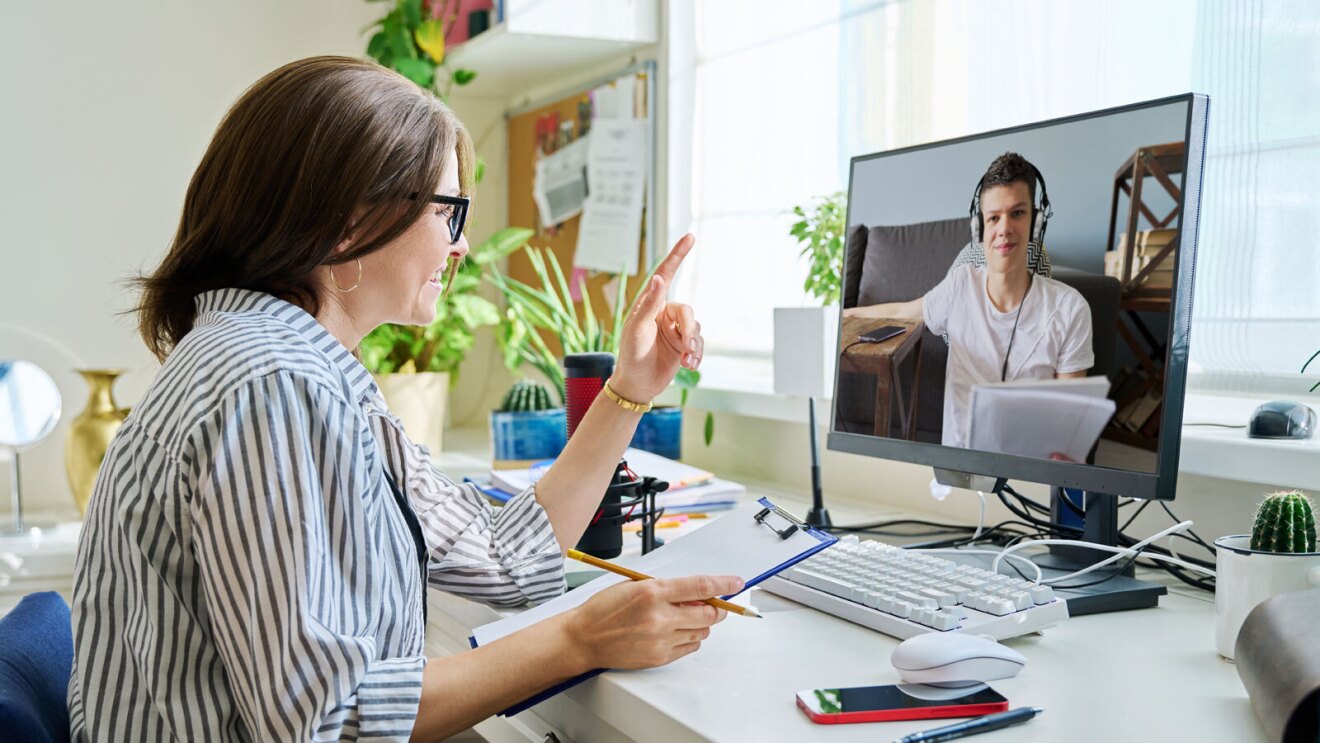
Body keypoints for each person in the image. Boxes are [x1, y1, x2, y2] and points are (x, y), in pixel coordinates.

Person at [68, 56, 739, 742]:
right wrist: (577, 637)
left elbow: (507, 552)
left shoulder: (306, 369)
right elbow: (325, 720)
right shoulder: (270, 382)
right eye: (449, 211)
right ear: (346, 220)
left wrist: (628, 388)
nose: (461, 244)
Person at [843, 152, 1094, 449]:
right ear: (980, 228)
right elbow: (903, 311)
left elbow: (1070, 425)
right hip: (958, 469)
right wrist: (845, 315)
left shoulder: (1070, 309)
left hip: (1029, 469)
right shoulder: (960, 285)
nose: (1004, 229)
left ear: (1036, 223)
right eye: (994, 218)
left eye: (1017, 213)